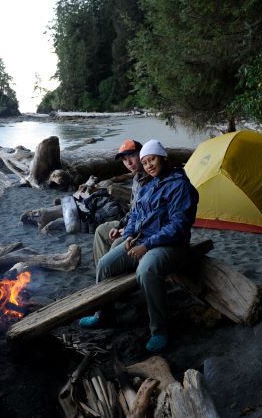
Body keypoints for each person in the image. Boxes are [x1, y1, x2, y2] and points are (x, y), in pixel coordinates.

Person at [78, 139, 199, 353]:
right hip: (144, 240)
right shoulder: (148, 185)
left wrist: (146, 245)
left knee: (147, 269)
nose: (149, 165)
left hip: (172, 245)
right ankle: (104, 314)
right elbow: (135, 214)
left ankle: (160, 330)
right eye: (145, 162)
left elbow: (178, 226)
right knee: (105, 265)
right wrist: (131, 233)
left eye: (151, 159)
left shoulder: (180, 186)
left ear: (163, 158)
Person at [91, 139, 148, 267]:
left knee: (117, 243)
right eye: (124, 159)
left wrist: (128, 230)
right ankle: (104, 274)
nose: (128, 163)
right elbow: (133, 211)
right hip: (132, 223)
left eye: (132, 156)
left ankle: (108, 268)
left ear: (142, 154)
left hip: (142, 229)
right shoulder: (136, 178)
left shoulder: (150, 179)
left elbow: (148, 215)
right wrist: (120, 226)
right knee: (101, 230)